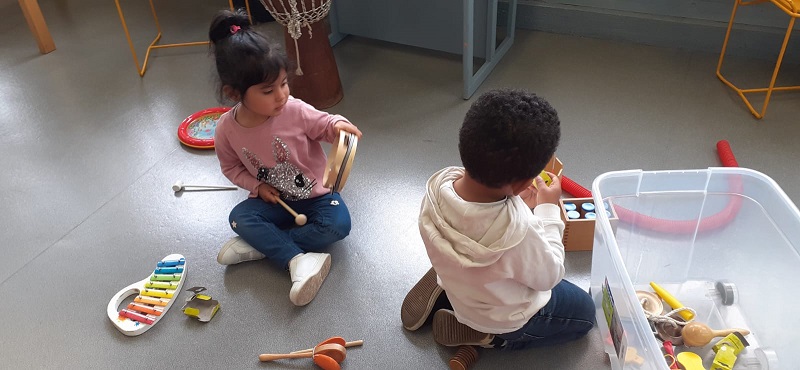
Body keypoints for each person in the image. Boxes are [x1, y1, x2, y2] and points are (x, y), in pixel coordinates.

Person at [401, 89, 595, 350]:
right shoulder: (520, 234)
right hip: (503, 317)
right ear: (523, 183)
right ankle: (492, 337)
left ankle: (450, 285)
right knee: (585, 314)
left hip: (460, 276)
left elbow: (488, 210)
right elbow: (549, 276)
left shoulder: (436, 188)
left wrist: (515, 200)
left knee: (467, 262)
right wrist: (547, 210)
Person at [208, 10, 362, 306]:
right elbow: (231, 166)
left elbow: (325, 124)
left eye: (283, 83)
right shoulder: (226, 129)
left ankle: (262, 247)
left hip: (316, 195)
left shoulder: (294, 109)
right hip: (274, 199)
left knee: (338, 225)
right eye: (268, 90)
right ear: (233, 92)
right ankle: (297, 260)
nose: (281, 95)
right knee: (239, 218)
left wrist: (340, 125)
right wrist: (256, 186)